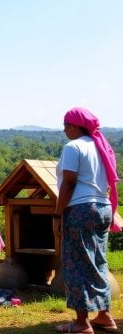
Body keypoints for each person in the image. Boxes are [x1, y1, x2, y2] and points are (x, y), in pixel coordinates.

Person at [53, 107, 119, 334]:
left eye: (65, 125)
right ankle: (105, 316)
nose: (63, 130)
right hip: (103, 208)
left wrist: (57, 214)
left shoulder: (74, 147)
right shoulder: (101, 147)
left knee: (76, 263)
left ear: (74, 126)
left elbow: (69, 183)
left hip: (81, 209)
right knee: (97, 262)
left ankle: (81, 323)